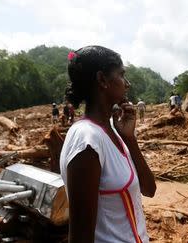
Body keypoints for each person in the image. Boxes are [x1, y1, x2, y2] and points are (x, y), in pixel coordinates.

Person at [60, 46, 156, 243]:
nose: (127, 83)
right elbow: (80, 238)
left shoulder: (112, 130)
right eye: (121, 75)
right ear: (102, 80)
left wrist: (130, 139)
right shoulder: (87, 140)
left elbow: (149, 189)